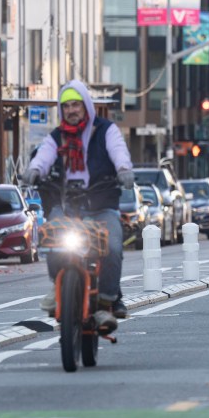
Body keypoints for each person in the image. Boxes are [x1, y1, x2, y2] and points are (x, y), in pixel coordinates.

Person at [23, 80, 135, 333]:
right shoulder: (56, 136)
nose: (72, 110)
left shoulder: (106, 130)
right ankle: (58, 286)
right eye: (66, 106)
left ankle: (107, 302)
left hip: (102, 205)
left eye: (76, 104)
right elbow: (43, 156)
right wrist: (33, 170)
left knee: (114, 246)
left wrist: (124, 170)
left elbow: (118, 152)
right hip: (68, 207)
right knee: (52, 237)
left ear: (86, 106)